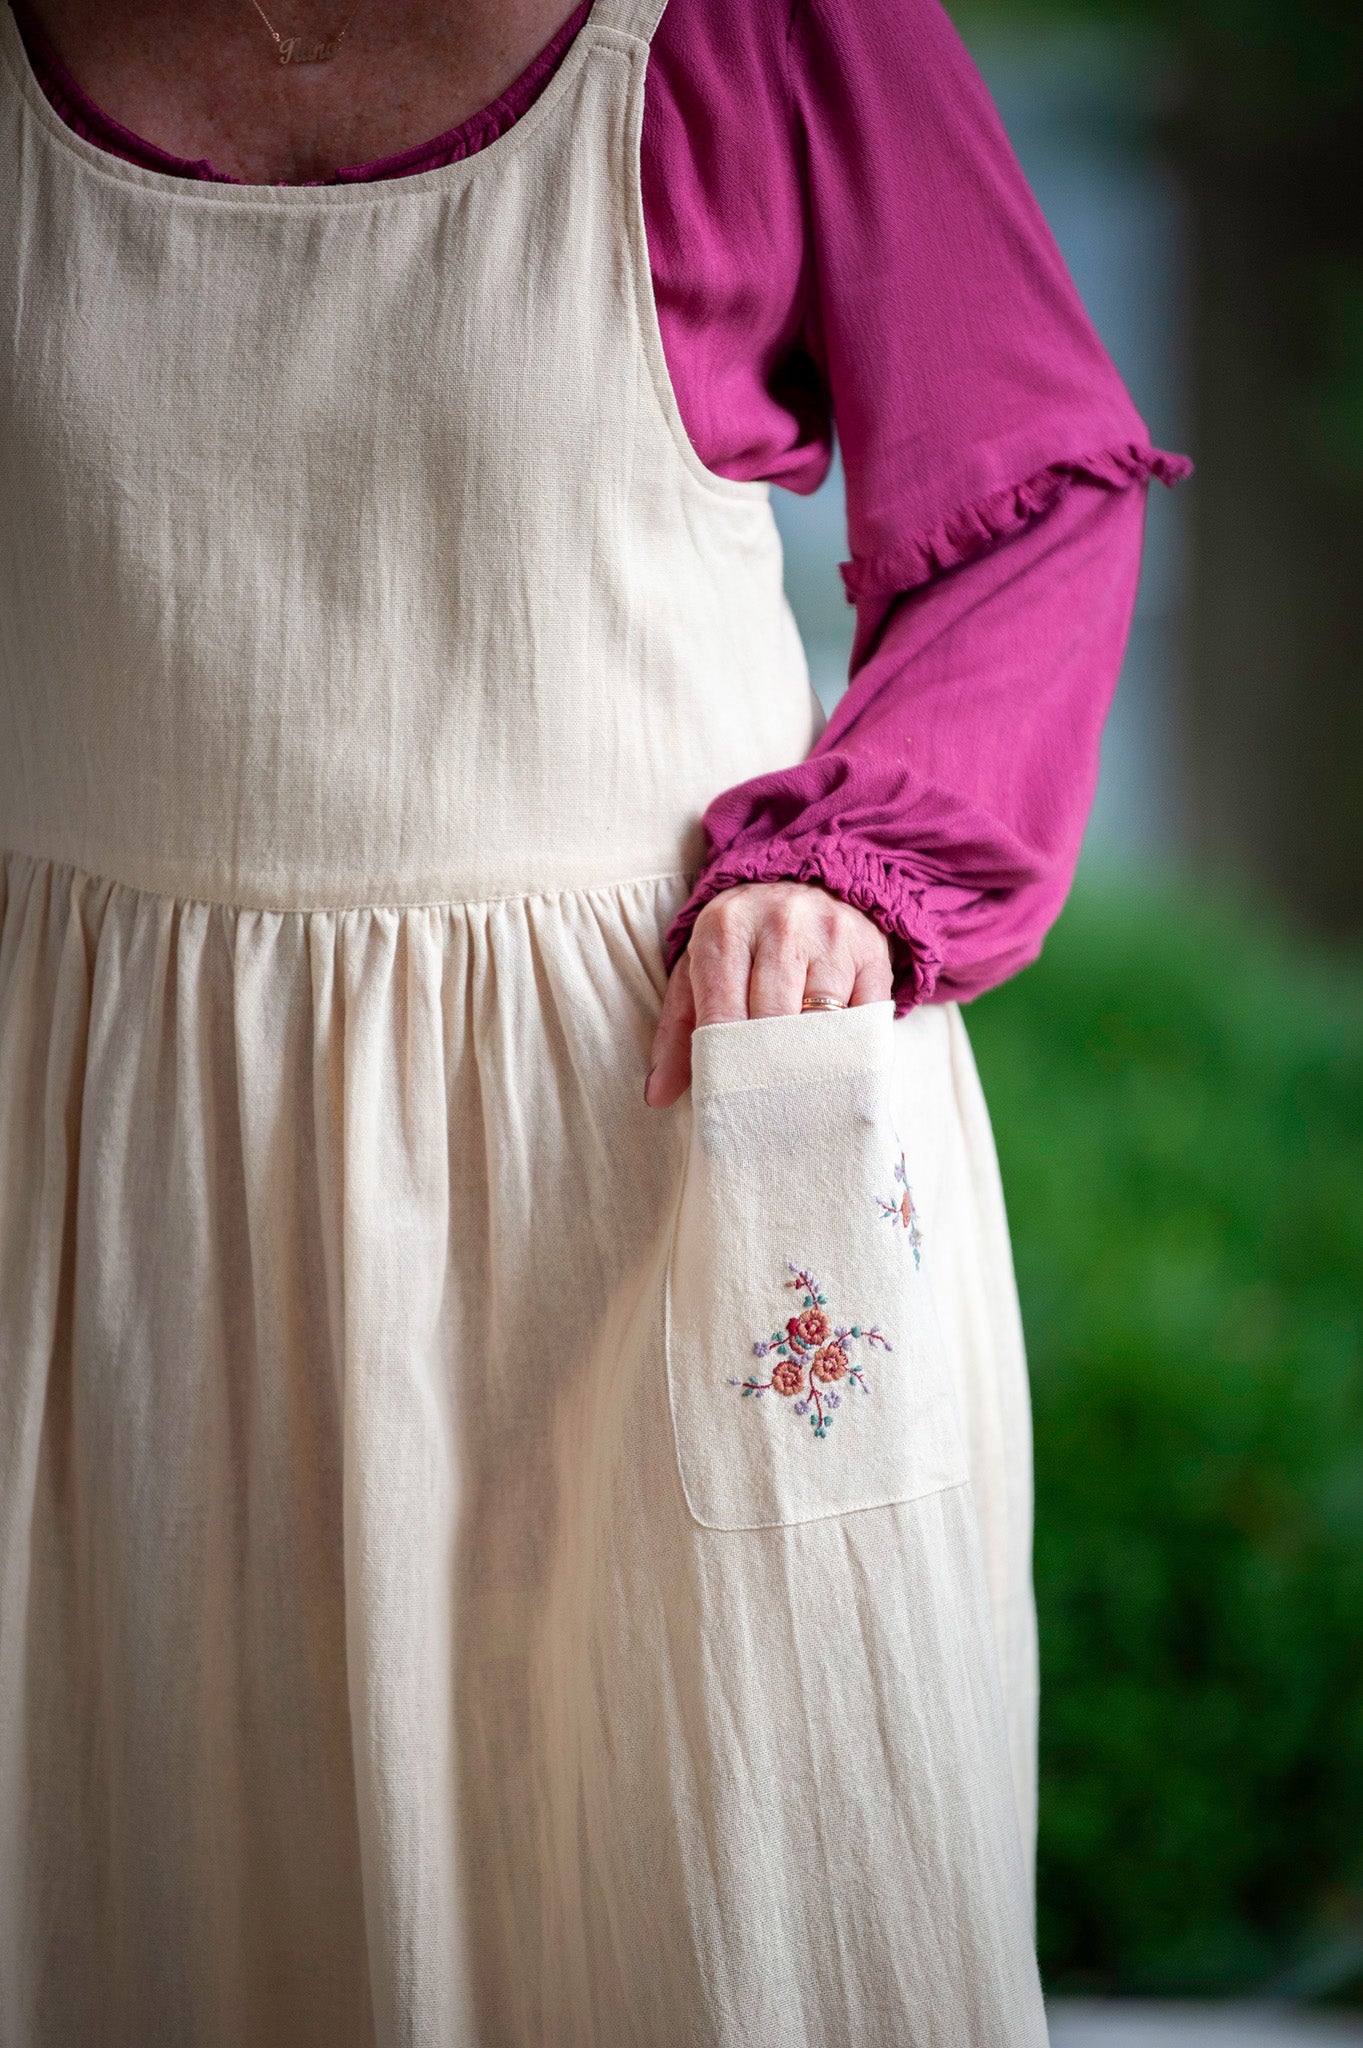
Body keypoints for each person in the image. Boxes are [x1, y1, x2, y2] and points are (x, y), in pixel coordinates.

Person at [0, 0, 1188, 2040]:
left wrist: (851, 863)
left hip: (643, 1155)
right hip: (104, 1172)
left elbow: (1033, 493)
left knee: (693, 1879)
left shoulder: (748, 24)